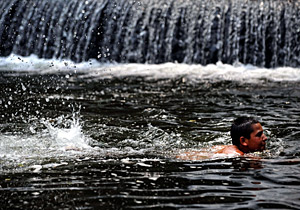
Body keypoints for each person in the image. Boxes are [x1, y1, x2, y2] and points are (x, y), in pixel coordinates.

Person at [176, 117, 268, 160]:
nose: (265, 138)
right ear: (243, 141)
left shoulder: (231, 148)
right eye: (259, 135)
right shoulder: (236, 154)